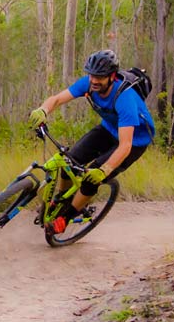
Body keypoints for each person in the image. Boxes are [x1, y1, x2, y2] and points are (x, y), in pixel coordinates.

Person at [28, 49, 155, 236]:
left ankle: (67, 216)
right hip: (109, 129)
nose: (95, 81)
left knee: (91, 178)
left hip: (134, 141)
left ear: (112, 76)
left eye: (100, 77)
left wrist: (104, 170)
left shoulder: (125, 98)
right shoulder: (89, 84)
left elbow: (125, 146)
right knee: (68, 161)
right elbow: (57, 99)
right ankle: (62, 199)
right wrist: (43, 110)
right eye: (92, 75)